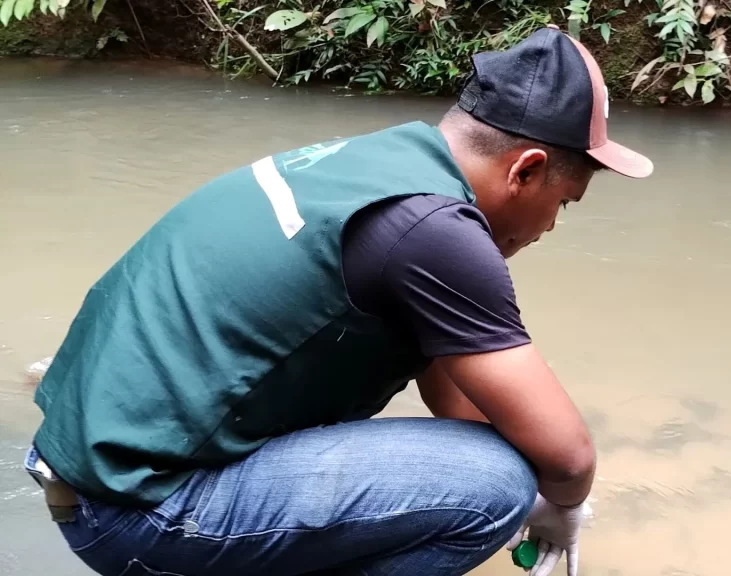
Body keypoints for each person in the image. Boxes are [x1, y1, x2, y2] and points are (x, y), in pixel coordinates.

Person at [23, 24, 652, 576]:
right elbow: (569, 457)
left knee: (491, 462)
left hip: (86, 469)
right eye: (562, 204)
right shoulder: (436, 231)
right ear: (525, 170)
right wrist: (559, 507)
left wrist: (541, 472)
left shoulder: (377, 163)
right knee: (492, 486)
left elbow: (451, 394)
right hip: (139, 512)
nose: (548, 228)